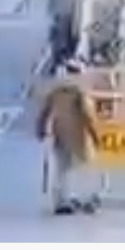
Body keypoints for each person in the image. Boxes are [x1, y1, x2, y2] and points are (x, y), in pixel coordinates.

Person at [35, 81, 101, 215]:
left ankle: (61, 200)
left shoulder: (55, 94)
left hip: (60, 136)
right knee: (84, 169)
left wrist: (40, 129)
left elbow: (44, 113)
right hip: (78, 138)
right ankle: (87, 199)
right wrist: (95, 136)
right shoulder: (79, 95)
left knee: (62, 170)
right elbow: (87, 117)